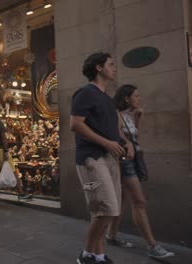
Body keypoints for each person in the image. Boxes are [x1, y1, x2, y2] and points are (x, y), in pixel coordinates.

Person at [70, 52, 128, 264]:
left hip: (110, 157)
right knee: (107, 208)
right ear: (98, 68)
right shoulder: (85, 93)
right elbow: (75, 124)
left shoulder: (107, 98)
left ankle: (98, 255)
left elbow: (114, 129)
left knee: (106, 210)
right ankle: (86, 254)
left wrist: (125, 142)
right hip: (91, 158)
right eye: (110, 64)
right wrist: (106, 143)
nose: (114, 68)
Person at [105, 84, 174, 259]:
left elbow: (134, 137)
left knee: (121, 201)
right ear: (127, 98)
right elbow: (119, 137)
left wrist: (138, 120)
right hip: (125, 161)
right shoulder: (118, 115)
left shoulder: (130, 115)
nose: (139, 99)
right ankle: (152, 246)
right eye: (136, 96)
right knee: (139, 202)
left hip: (132, 160)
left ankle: (111, 236)